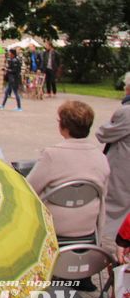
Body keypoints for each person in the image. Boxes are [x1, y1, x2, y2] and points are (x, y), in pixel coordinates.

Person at [27, 101, 109, 240]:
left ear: (63, 126)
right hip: (87, 229)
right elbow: (103, 194)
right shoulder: (100, 157)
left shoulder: (52, 155)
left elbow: (29, 189)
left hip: (54, 229)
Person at [97, 103, 130, 239]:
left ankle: (110, 238)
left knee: (113, 203)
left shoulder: (126, 112)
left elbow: (103, 134)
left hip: (122, 164)